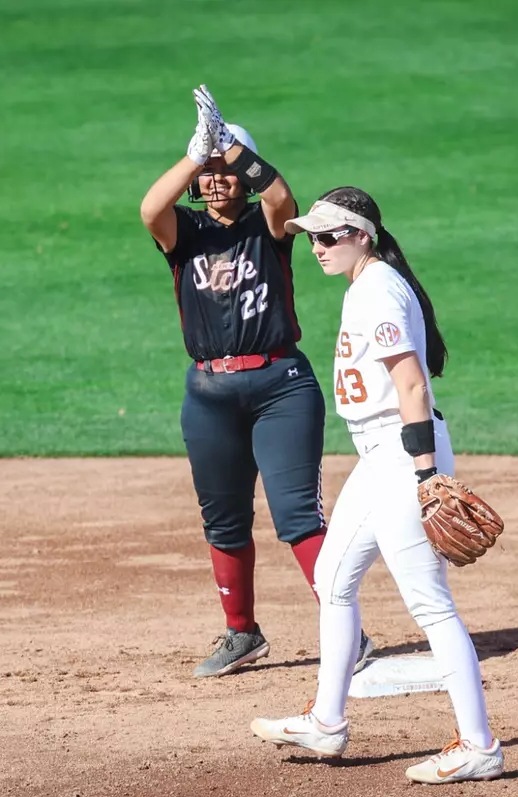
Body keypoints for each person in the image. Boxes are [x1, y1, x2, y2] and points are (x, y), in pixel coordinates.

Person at [249, 187, 503, 783]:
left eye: (331, 235)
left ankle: (478, 745)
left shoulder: (379, 289)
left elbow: (411, 386)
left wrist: (424, 474)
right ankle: (326, 721)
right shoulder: (369, 284)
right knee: (333, 577)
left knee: (430, 605)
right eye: (313, 235)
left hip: (401, 453)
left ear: (363, 234)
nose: (318, 246)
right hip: (380, 457)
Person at [138, 88, 373, 678]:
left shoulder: (271, 228)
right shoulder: (184, 233)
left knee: (296, 516)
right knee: (223, 520)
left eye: (226, 170)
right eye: (208, 173)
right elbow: (148, 209)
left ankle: (353, 637)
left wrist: (233, 149)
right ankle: (241, 633)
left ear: (244, 173)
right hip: (209, 396)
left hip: (279, 386)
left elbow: (282, 196)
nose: (216, 180)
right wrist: (198, 152)